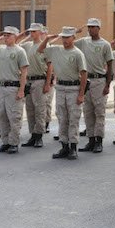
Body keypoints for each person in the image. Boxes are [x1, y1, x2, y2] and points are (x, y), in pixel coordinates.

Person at [38, 27, 88, 160]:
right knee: (62, 118)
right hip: (60, 87)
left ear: (74, 38)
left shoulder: (77, 53)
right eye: (63, 37)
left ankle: (73, 147)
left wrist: (81, 94)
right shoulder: (56, 50)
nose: (65, 40)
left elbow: (83, 74)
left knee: (73, 119)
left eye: (68, 37)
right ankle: (64, 146)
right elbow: (40, 50)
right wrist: (47, 39)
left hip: (73, 88)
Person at [0, 26, 29, 154]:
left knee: (14, 116)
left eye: (9, 35)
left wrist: (21, 90)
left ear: (15, 36)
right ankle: (5, 142)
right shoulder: (0, 50)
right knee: (1, 116)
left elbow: (24, 72)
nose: (6, 37)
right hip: (1, 87)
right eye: (5, 35)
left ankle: (14, 143)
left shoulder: (20, 51)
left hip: (13, 87)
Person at [73, 18, 114, 154]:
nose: (90, 30)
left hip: (99, 80)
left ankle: (99, 140)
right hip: (86, 80)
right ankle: (90, 139)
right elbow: (69, 43)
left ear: (99, 28)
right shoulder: (84, 42)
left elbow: (109, 66)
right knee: (88, 111)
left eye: (93, 27)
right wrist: (75, 32)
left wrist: (108, 85)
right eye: (89, 27)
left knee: (99, 112)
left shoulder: (105, 44)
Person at [15, 23, 53, 149]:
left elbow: (50, 67)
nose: (31, 34)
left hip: (40, 81)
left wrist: (48, 83)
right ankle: (32, 134)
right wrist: (22, 35)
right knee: (30, 109)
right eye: (30, 32)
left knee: (40, 109)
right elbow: (15, 44)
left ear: (40, 33)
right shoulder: (27, 46)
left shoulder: (46, 46)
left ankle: (39, 136)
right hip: (29, 81)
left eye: (34, 32)